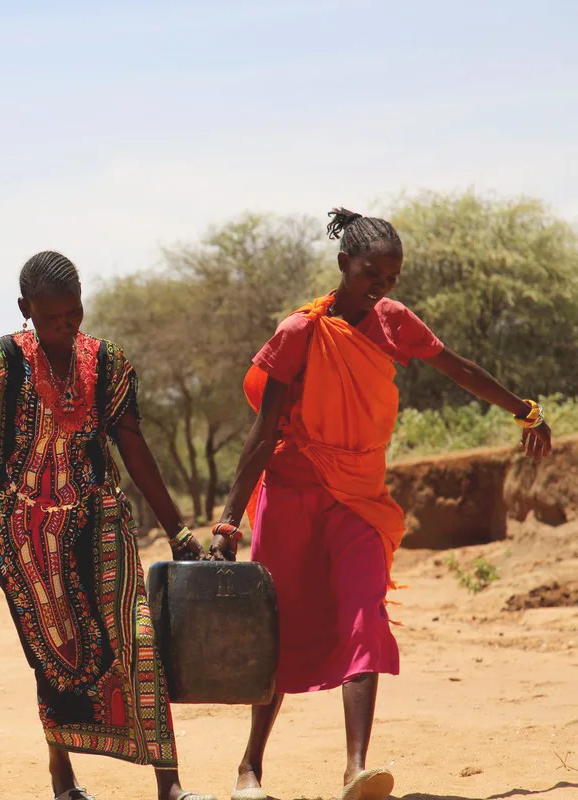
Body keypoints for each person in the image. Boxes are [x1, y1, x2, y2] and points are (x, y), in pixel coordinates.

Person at [211, 209, 554, 800]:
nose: (382, 286)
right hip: (292, 495)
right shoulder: (300, 332)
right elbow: (263, 433)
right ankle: (250, 767)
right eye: (372, 273)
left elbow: (457, 368)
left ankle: (356, 768)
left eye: (391, 277)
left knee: (365, 612)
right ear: (344, 263)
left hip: (360, 498)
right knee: (278, 627)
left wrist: (524, 410)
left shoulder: (394, 321)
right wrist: (226, 524)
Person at [0, 251, 217, 800]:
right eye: (51, 317)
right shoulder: (4, 358)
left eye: (73, 314)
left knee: (137, 636)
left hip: (99, 518)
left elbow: (133, 447)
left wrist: (178, 531)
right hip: (25, 536)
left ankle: (169, 783)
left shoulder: (106, 362)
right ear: (25, 308)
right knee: (50, 655)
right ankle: (62, 772)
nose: (64, 326)